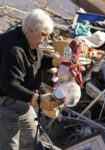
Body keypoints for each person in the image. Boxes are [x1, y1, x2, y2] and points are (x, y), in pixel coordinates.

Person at [0, 8, 61, 150]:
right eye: (44, 35)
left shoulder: (28, 42)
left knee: (34, 142)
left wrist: (54, 61)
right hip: (4, 103)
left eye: (48, 36)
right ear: (31, 30)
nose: (46, 39)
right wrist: (37, 100)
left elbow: (36, 59)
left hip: (20, 101)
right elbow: (9, 84)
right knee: (9, 146)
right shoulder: (13, 48)